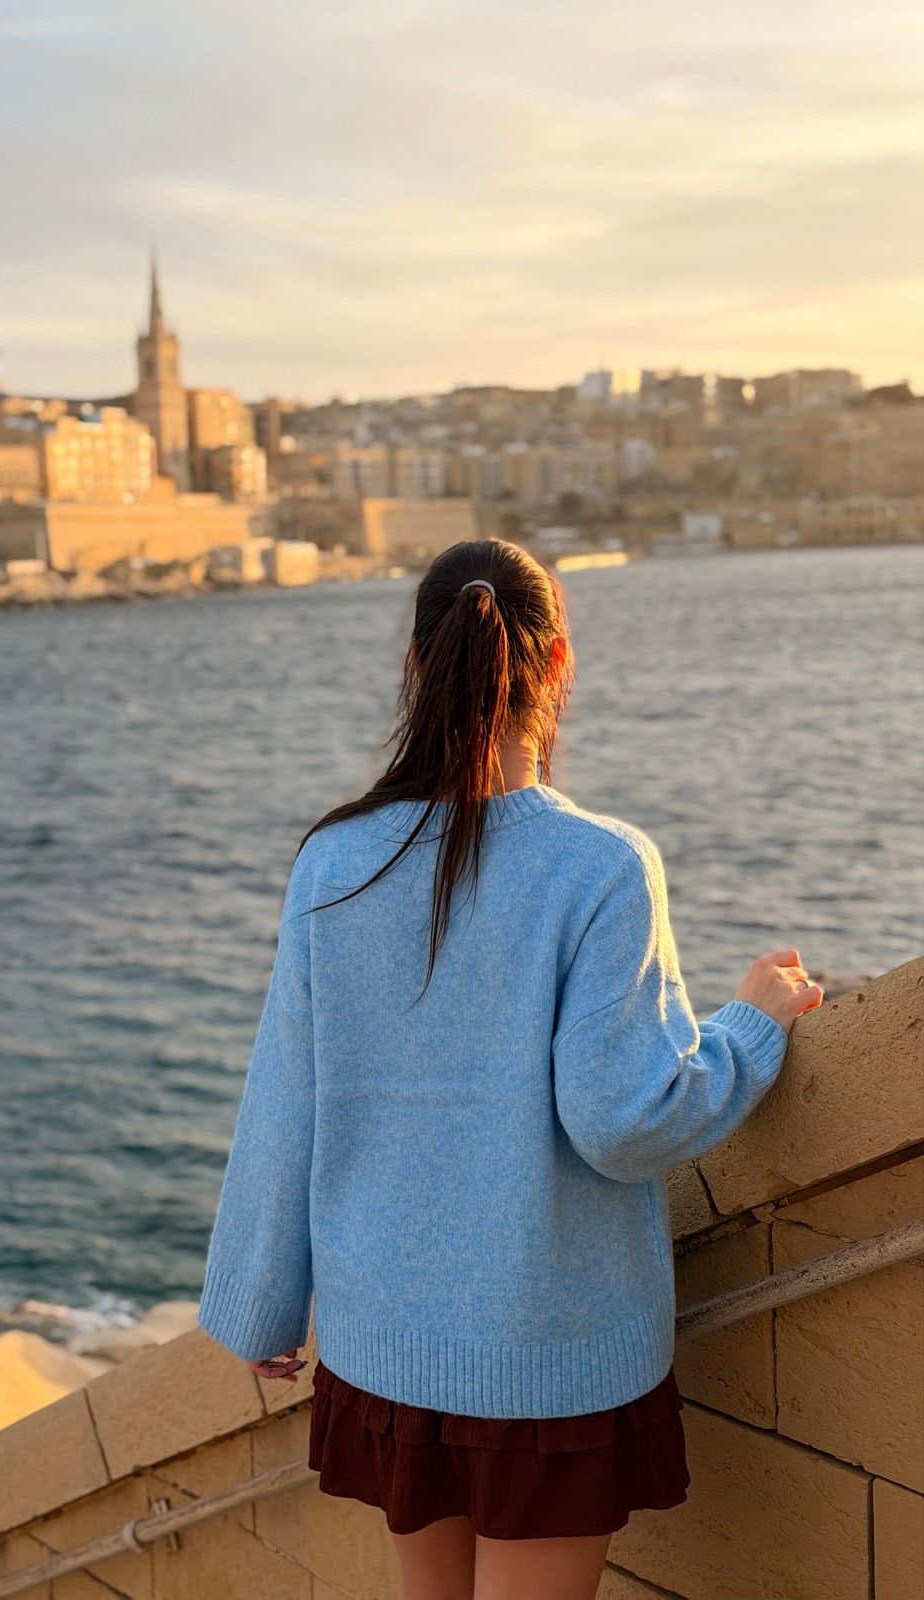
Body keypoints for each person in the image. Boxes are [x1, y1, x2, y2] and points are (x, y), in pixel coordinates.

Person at [197, 538, 824, 1600]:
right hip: (546, 1357)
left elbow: (285, 1096)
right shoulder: (601, 864)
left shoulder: (334, 861)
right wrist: (751, 1027)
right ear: (558, 660)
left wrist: (261, 1302)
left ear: (418, 664)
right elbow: (625, 1120)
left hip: (384, 1348)